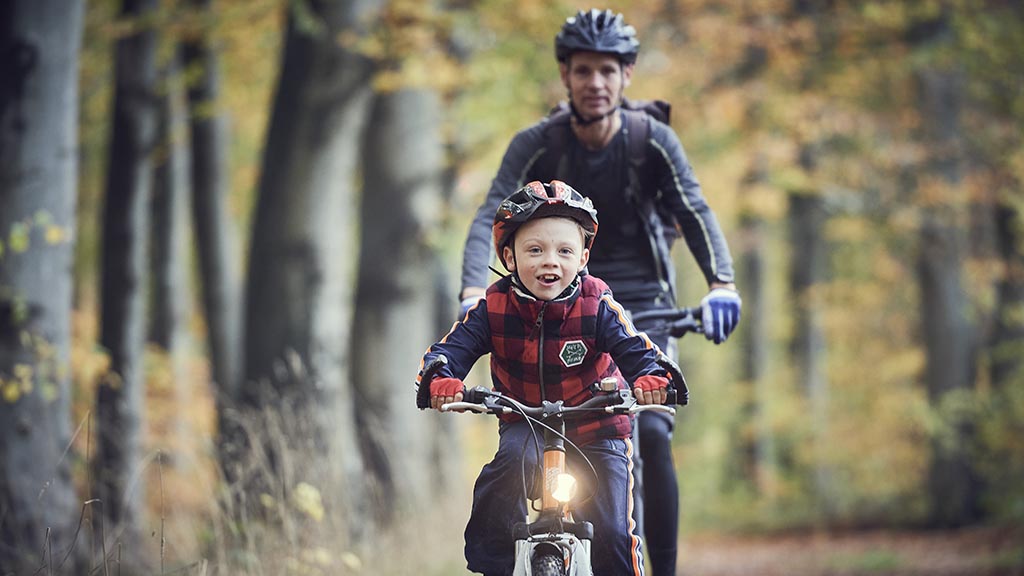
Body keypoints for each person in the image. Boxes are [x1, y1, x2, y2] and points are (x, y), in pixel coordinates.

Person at [457, 8, 742, 576]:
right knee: (525, 434)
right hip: (552, 298)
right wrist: (472, 288)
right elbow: (492, 208)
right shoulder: (538, 143)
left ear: (627, 75)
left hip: (643, 302)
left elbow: (692, 208)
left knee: (653, 434)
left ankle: (657, 567)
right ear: (565, 75)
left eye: (607, 71)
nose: (595, 83)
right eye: (583, 71)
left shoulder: (651, 141)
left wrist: (721, 284)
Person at [418, 180, 675, 576]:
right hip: (527, 423)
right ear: (509, 256)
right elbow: (449, 351)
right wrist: (441, 378)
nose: (549, 261)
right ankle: (496, 565)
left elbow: (636, 349)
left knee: (612, 531)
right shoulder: (493, 306)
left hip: (599, 425)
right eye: (534, 250)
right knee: (505, 469)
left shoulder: (597, 303)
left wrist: (653, 377)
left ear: (584, 257)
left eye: (564, 250)